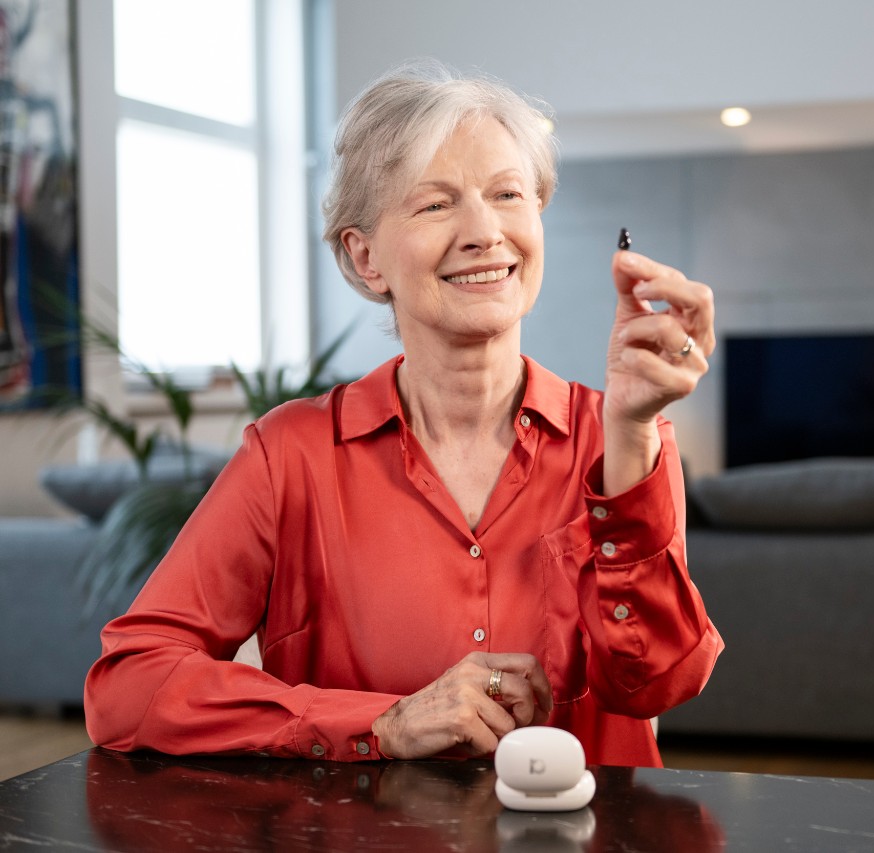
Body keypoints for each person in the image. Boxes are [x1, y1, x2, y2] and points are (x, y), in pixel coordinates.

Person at [83, 60, 723, 768]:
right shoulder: (289, 454)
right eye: (435, 203)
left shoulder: (625, 436)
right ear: (366, 259)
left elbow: (658, 682)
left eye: (507, 193)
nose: (485, 232)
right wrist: (383, 722)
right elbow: (128, 685)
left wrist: (632, 430)